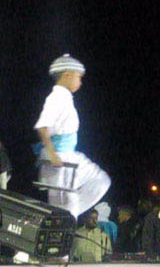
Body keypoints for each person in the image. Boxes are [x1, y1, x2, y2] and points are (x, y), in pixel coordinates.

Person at [33, 53, 111, 220]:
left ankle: (66, 217)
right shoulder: (57, 98)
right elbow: (42, 126)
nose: (80, 82)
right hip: (60, 158)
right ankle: (65, 218)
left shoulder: (65, 98)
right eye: (78, 77)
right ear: (67, 74)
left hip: (67, 156)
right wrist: (52, 154)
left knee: (98, 183)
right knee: (69, 200)